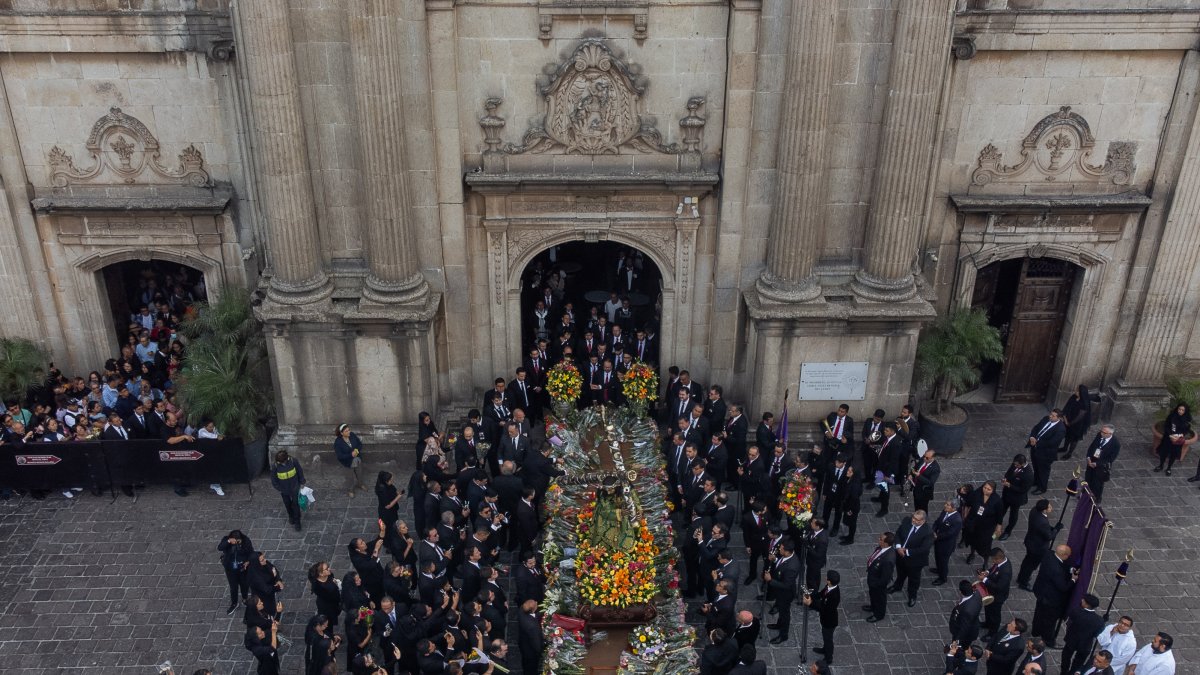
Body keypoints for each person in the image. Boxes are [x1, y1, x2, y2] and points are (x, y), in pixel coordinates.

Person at [1031, 544, 1076, 647]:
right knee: (1050, 621)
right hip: (1051, 599)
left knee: (1038, 613)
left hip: (1041, 591)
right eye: (1068, 555)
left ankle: (1036, 631)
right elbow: (1063, 587)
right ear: (1064, 555)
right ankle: (1048, 640)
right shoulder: (1056, 570)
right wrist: (1073, 579)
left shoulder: (1049, 555)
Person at [889, 509, 933, 607]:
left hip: (915, 561)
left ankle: (912, 595)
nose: (914, 521)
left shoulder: (928, 532)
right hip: (900, 556)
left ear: (923, 521)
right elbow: (898, 533)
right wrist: (898, 547)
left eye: (917, 520)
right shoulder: (906, 521)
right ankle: (897, 586)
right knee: (900, 573)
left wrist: (906, 551)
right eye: (913, 518)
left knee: (914, 579)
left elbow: (924, 549)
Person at [764, 541, 800, 643]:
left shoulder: (792, 567)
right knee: (780, 609)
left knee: (785, 614)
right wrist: (775, 559)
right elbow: (781, 564)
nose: (779, 549)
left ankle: (784, 635)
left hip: (786, 594)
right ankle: (779, 624)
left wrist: (770, 580)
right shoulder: (786, 557)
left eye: (781, 549)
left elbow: (786, 585)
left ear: (787, 552)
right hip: (780, 592)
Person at [1017, 499, 1057, 591]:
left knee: (1027, 561)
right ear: (1044, 510)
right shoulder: (1042, 521)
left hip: (1030, 542)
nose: (1051, 508)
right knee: (1031, 566)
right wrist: (1055, 530)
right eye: (1049, 507)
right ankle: (1023, 582)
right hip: (1037, 548)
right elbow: (1049, 536)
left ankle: (1021, 577)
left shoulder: (1034, 510)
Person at [803, 569, 841, 665]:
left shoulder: (834, 595)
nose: (826, 579)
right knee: (825, 637)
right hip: (825, 618)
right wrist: (811, 596)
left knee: (828, 639)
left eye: (827, 578)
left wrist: (810, 603)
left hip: (829, 621)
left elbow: (824, 608)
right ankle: (825, 649)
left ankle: (829, 658)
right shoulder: (829, 587)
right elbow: (821, 594)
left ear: (829, 581)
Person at [1061, 594, 1104, 675]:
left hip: (1071, 640)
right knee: (1078, 662)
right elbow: (1096, 634)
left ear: (1087, 604)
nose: (1081, 601)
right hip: (1085, 644)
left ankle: (1063, 672)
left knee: (1066, 658)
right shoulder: (1100, 621)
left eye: (1083, 600)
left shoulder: (1076, 611)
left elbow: (1069, 622)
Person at [964, 481, 1004, 565]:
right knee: (972, 540)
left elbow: (1000, 515)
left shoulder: (997, 501)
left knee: (986, 544)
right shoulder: (977, 494)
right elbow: (968, 503)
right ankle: (972, 554)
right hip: (974, 523)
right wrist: (965, 515)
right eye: (984, 488)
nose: (985, 490)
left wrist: (998, 526)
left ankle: (985, 562)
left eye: (988, 489)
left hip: (987, 527)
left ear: (993, 490)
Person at [1028, 409, 1067, 495]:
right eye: (1051, 414)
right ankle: (1036, 481)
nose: (1050, 416)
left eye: (1053, 416)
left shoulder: (1060, 429)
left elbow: (1052, 442)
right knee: (1036, 466)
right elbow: (1036, 427)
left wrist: (1037, 442)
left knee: (1043, 470)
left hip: (1046, 453)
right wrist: (1032, 437)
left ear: (1059, 418)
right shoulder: (1046, 419)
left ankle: (1042, 487)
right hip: (1035, 448)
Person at [978, 547, 1012, 641]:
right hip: (990, 593)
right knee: (988, 609)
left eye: (993, 559)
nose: (992, 561)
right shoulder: (1000, 563)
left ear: (999, 558)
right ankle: (988, 623)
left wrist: (984, 580)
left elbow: (999, 587)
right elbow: (994, 568)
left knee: (994, 614)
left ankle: (993, 633)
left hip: (997, 596)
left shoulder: (1005, 571)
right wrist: (987, 572)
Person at [218, 529, 255, 614]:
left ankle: (245, 599)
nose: (237, 543)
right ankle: (234, 603)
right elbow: (220, 547)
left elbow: (251, 553)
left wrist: (248, 561)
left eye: (238, 541)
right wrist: (228, 542)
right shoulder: (226, 540)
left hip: (242, 568)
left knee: (244, 585)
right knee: (233, 587)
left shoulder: (246, 541)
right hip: (230, 569)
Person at [999, 454, 1034, 540]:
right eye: (1014, 464)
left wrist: (1009, 485)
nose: (1015, 466)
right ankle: (996, 524)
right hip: (1006, 493)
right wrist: (1005, 478)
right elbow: (1009, 472)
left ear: (1022, 463)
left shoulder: (1028, 474)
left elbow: (1023, 489)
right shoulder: (1015, 464)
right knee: (1000, 509)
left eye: (1017, 465)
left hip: (1016, 498)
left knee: (1013, 514)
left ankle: (1008, 531)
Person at [269, 449, 306, 532]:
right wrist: (279, 489)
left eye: (282, 462)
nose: (280, 463)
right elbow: (274, 479)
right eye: (279, 462)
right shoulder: (275, 466)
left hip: (294, 487)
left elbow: (299, 471)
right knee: (287, 504)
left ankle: (297, 522)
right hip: (284, 490)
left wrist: (302, 481)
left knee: (295, 505)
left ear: (286, 459)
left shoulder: (293, 461)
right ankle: (291, 516)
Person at [863, 532, 897, 622]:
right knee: (873, 595)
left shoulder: (888, 559)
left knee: (880, 598)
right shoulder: (882, 548)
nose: (879, 540)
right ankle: (873, 607)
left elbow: (885, 577)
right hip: (873, 578)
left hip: (878, 583)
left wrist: (877, 585)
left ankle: (879, 615)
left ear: (886, 543)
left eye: (881, 539)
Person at [1083, 425, 1121, 503]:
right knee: (1088, 479)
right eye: (1101, 431)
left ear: (1110, 434)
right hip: (1091, 462)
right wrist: (1088, 457)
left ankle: (1096, 498)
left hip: (1101, 468)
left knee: (1097, 484)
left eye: (1104, 432)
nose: (1101, 433)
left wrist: (1097, 464)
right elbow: (1092, 447)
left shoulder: (1116, 444)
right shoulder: (1099, 435)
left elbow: (1110, 459)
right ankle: (1085, 494)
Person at [931, 500, 963, 586]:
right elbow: (937, 522)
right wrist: (933, 530)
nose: (945, 506)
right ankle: (938, 569)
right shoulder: (944, 511)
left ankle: (942, 578)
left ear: (954, 508)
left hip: (946, 545)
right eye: (946, 504)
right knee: (937, 557)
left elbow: (950, 533)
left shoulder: (957, 520)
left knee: (943, 562)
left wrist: (937, 536)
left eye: (948, 505)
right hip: (938, 540)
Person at [1155, 403, 1192, 474]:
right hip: (1168, 437)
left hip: (1177, 440)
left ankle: (1169, 468)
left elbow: (1186, 430)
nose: (1180, 411)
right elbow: (1166, 426)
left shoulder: (1187, 420)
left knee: (1173, 454)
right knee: (1163, 452)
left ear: (1185, 411)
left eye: (1182, 410)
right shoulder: (1172, 416)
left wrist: (1179, 435)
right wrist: (1170, 435)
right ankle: (1161, 465)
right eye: (1179, 409)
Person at [1060, 385, 1094, 459]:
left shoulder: (1084, 403)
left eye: (1078, 391)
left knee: (1074, 439)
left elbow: (1079, 416)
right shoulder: (1073, 397)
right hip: (1068, 420)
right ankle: (1064, 448)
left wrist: (1070, 423)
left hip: (1077, 425)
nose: (1076, 391)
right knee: (1067, 435)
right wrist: (1065, 417)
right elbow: (1067, 406)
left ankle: (1069, 453)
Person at [334, 423, 367, 497]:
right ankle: (350, 490)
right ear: (341, 433)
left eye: (349, 430)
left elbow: (359, 444)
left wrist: (356, 450)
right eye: (346, 431)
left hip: (357, 460)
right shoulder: (338, 443)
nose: (349, 432)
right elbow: (340, 456)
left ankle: (360, 484)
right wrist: (350, 455)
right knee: (350, 477)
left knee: (359, 473)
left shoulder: (352, 435)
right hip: (347, 463)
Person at [949, 580, 983, 646]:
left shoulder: (966, 610)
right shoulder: (978, 594)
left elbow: (965, 627)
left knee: (960, 649)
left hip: (965, 635)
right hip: (973, 623)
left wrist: (957, 640)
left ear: (961, 592)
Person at [910, 448, 941, 513]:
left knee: (923, 508)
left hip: (924, 492)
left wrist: (919, 476)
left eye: (927, 458)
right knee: (916, 505)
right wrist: (911, 474)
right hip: (916, 487)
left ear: (933, 458)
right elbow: (915, 468)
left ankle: (922, 520)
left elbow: (930, 483)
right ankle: (917, 515)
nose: (924, 458)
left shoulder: (935, 469)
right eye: (924, 456)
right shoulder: (923, 460)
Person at [517, 599, 543, 675]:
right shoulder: (532, 626)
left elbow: (533, 615)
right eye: (536, 603)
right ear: (533, 610)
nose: (537, 602)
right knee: (531, 669)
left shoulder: (522, 609)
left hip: (523, 643)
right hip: (530, 653)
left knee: (525, 664)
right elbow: (537, 645)